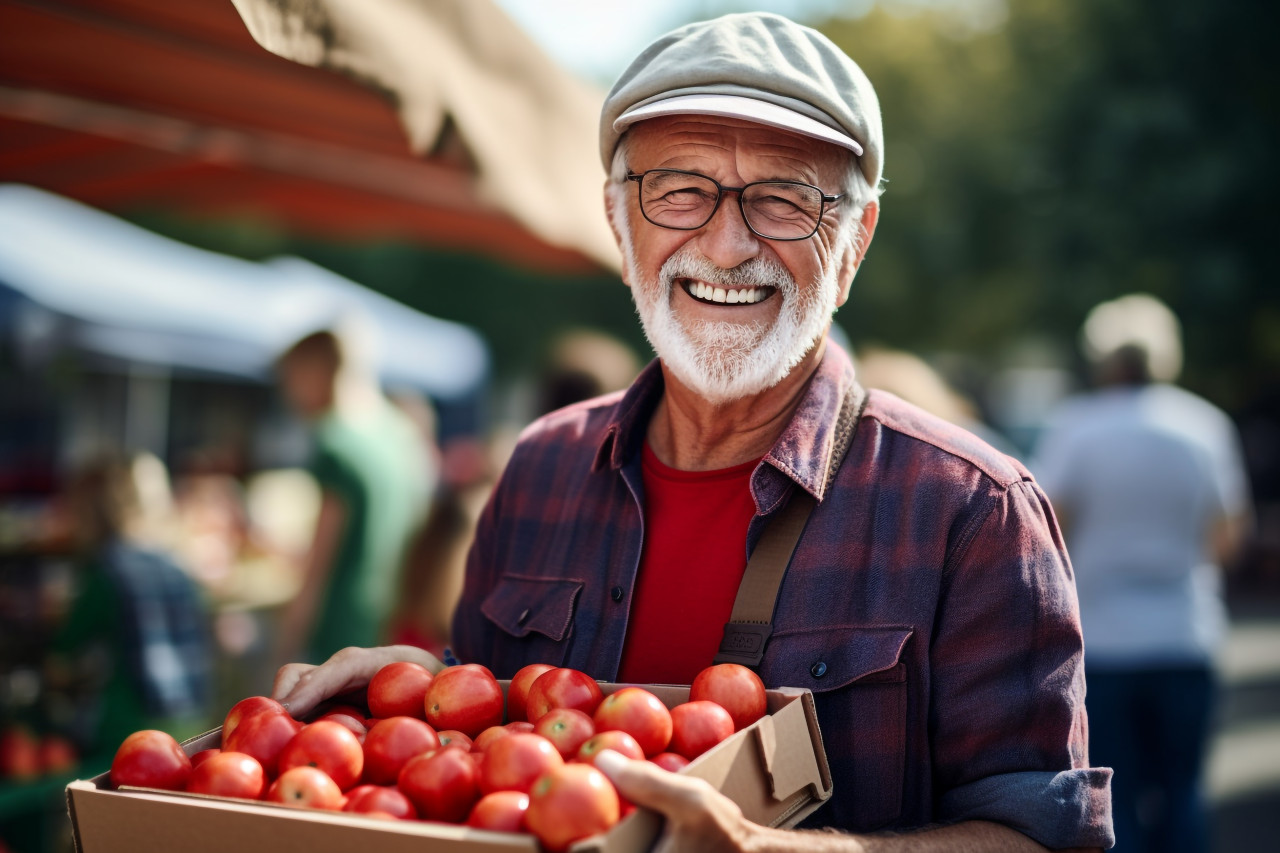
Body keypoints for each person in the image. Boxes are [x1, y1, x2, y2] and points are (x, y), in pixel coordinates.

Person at [274, 13, 1112, 851]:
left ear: (854, 243)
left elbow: (1040, 835)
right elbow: (497, 736)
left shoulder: (973, 511)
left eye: (785, 197)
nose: (725, 241)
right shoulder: (539, 470)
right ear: (617, 219)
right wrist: (417, 691)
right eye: (679, 189)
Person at [1032, 293, 1252, 853]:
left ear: (1102, 357)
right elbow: (1228, 537)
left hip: (1103, 643)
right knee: (1183, 793)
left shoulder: (1077, 428)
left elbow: (1046, 532)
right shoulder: (1204, 425)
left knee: (1115, 801)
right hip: (1186, 634)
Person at [273, 327, 431, 664]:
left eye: (291, 378)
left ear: (317, 372)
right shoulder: (400, 431)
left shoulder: (336, 442)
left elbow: (319, 565)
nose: (289, 393)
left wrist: (286, 645)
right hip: (395, 621)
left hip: (341, 629)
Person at [46, 451, 213, 766]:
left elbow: (63, 654)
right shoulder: (176, 564)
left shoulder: (106, 573)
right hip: (190, 716)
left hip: (130, 726)